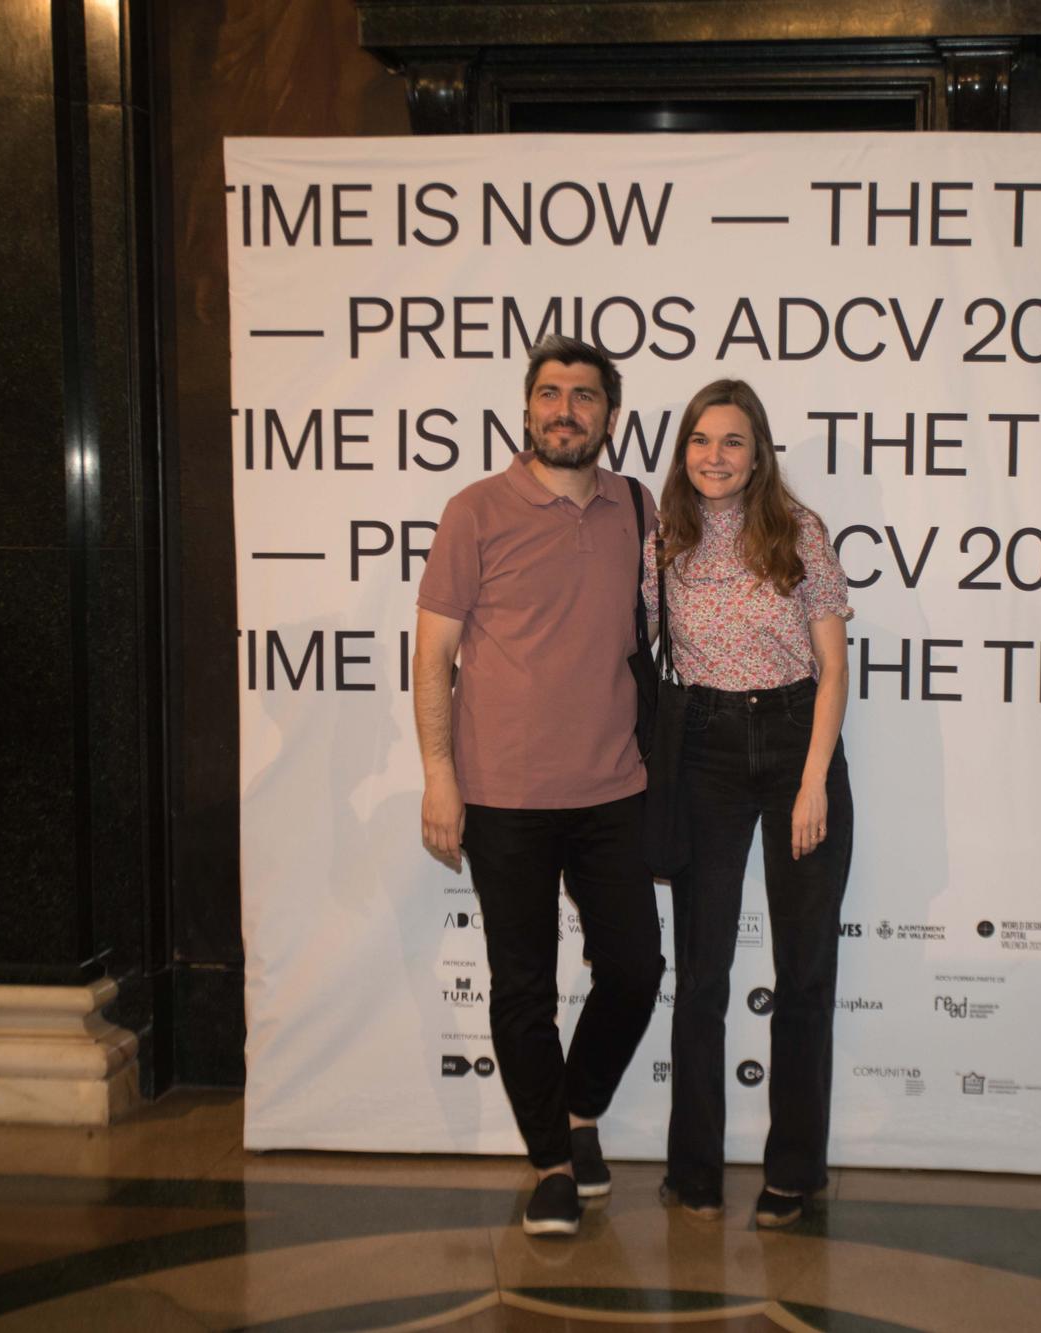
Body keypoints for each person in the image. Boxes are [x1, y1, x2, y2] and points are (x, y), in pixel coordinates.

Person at [413, 334, 665, 1238]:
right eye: (551, 393)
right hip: (503, 795)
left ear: (609, 414)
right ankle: (553, 1161)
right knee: (523, 984)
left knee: (635, 968)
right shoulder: (475, 509)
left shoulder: (636, 508)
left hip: (612, 786)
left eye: (586, 396)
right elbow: (433, 652)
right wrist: (440, 775)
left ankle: (580, 1108)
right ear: (526, 409)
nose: (567, 408)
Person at [645, 379, 854, 1228]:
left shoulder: (799, 532)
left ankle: (794, 1171)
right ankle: (693, 1170)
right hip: (703, 747)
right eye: (701, 440)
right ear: (683, 449)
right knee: (701, 974)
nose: (715, 457)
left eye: (733, 441)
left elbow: (835, 667)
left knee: (803, 971)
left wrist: (812, 780)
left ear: (759, 450)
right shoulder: (665, 537)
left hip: (799, 740)